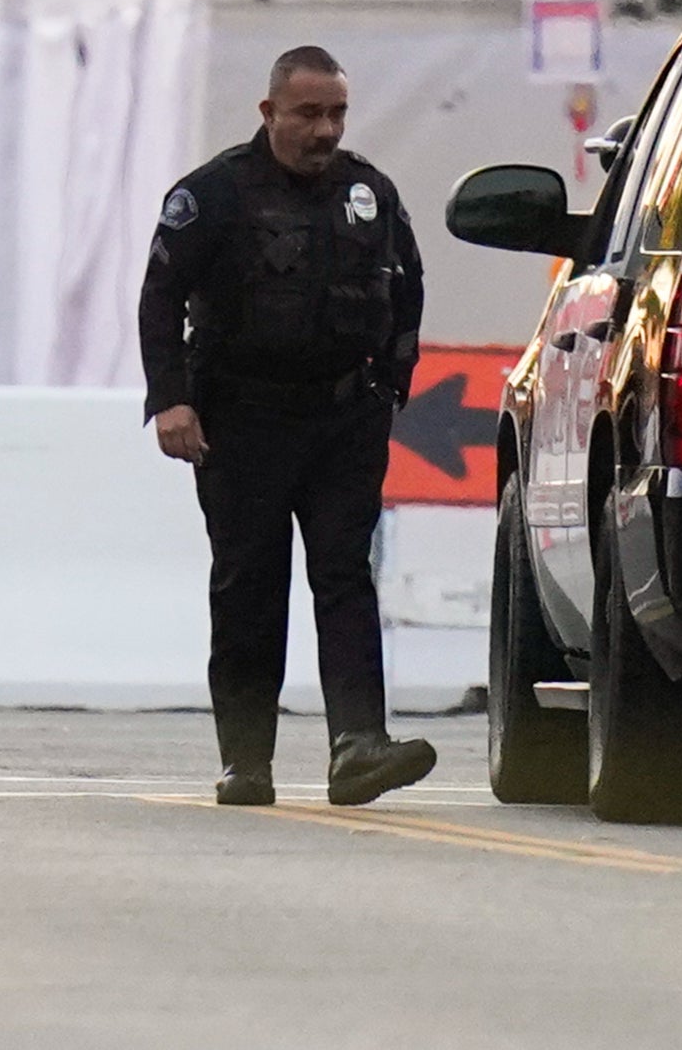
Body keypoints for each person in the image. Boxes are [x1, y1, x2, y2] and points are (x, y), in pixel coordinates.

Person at [141, 45, 438, 809]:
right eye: (308, 113)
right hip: (240, 421)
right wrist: (171, 400)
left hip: (342, 420)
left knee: (344, 574)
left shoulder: (368, 192)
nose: (325, 129)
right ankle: (247, 760)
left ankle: (358, 746)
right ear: (269, 112)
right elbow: (159, 298)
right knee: (249, 585)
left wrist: (391, 388)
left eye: (336, 112)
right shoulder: (213, 195)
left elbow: (407, 291)